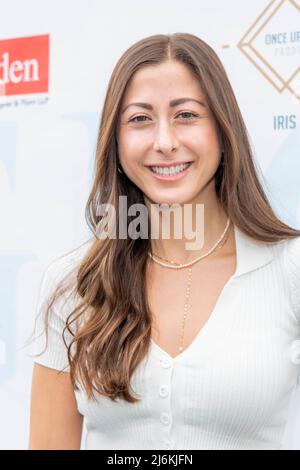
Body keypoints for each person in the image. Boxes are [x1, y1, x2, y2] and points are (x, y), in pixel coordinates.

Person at [28, 32, 300, 450]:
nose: (165, 141)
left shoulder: (289, 268)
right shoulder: (73, 283)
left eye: (186, 115)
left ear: (223, 130)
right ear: (115, 143)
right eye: (139, 119)